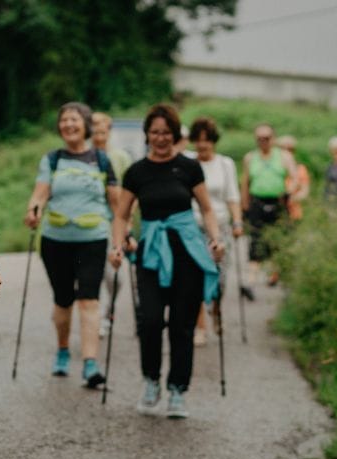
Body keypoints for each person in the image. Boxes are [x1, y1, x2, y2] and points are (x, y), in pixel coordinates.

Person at [109, 104, 224, 419]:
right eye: (155, 132)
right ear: (147, 135)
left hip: (187, 251)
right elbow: (121, 215)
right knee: (149, 320)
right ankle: (151, 381)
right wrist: (117, 246)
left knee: (182, 325)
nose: (160, 138)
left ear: (175, 135)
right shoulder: (136, 172)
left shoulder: (189, 167)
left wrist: (215, 239)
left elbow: (207, 209)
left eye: (166, 132)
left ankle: (177, 390)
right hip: (151, 254)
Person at [24, 102, 119, 388]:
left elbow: (117, 205)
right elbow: (40, 193)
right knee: (63, 300)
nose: (68, 124)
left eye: (74, 119)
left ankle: (90, 364)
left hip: (93, 241)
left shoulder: (102, 160)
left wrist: (121, 238)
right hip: (56, 242)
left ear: (86, 125)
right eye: (64, 120)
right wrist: (34, 210)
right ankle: (63, 350)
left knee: (89, 299)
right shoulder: (53, 160)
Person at [188, 117, 243, 346]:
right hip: (193, 227)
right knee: (196, 278)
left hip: (220, 227)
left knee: (220, 279)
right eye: (198, 140)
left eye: (207, 140)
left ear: (214, 141)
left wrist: (237, 222)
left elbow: (232, 196)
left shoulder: (225, 164)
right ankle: (200, 327)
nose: (202, 145)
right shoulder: (188, 162)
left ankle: (216, 309)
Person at [240, 124, 298, 291]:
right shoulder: (250, 157)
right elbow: (245, 183)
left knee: (277, 240)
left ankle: (276, 275)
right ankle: (250, 281)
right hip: (257, 203)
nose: (263, 142)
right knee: (256, 240)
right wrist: (244, 207)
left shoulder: (284, 156)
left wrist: (289, 191)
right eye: (259, 139)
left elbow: (295, 178)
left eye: (266, 138)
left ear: (273, 138)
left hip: (278, 202)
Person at [91, 112, 132, 338]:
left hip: (114, 221)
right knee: (95, 275)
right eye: (94, 130)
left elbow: (131, 190)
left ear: (109, 131)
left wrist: (128, 220)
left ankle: (108, 312)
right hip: (93, 223)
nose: (98, 135)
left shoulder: (120, 157)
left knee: (115, 277)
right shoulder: (84, 156)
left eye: (102, 130)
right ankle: (96, 318)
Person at [276, 135, 310, 222]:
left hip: (294, 212)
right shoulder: (274, 169)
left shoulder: (301, 169)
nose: (286, 153)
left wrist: (291, 199)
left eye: (289, 149)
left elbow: (304, 192)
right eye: (283, 149)